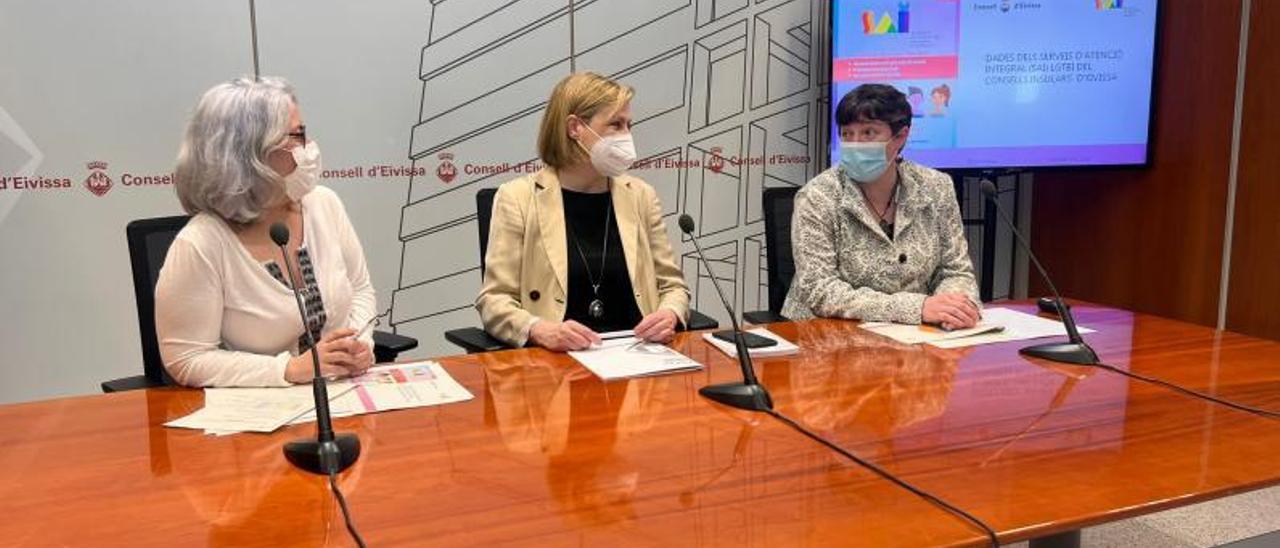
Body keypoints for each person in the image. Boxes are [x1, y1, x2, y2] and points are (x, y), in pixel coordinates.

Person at [155, 76, 376, 387]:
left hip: (346, 393)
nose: (309, 148)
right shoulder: (201, 242)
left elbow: (360, 290)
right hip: (259, 414)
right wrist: (288, 370)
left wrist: (359, 344)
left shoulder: (324, 204)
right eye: (297, 136)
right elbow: (187, 359)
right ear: (250, 152)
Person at [476, 72, 690, 351]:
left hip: (640, 358)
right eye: (616, 124)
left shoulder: (641, 196)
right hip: (557, 364)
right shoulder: (517, 198)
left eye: (629, 125)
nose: (627, 136)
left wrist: (670, 314)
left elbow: (673, 287)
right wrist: (540, 330)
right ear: (575, 128)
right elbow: (494, 300)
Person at [780, 83, 980, 329]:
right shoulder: (818, 196)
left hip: (919, 336)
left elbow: (955, 270)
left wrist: (954, 309)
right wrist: (917, 308)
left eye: (868, 133)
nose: (855, 143)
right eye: (847, 134)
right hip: (827, 339)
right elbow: (821, 290)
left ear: (901, 136)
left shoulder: (936, 187)